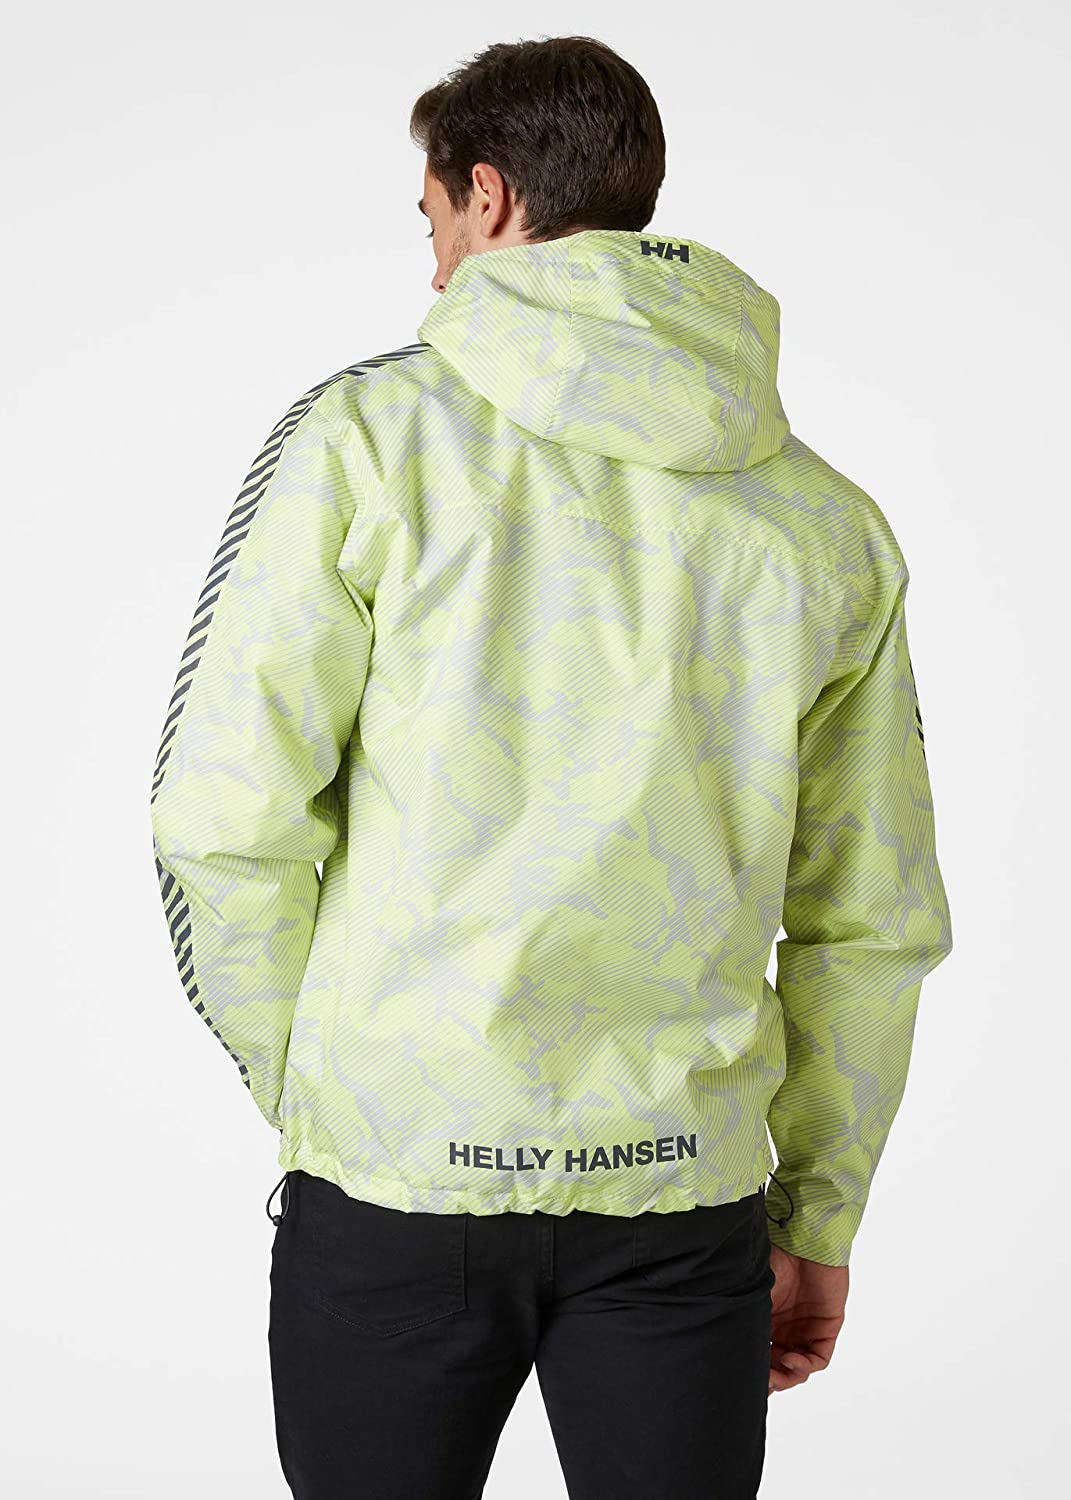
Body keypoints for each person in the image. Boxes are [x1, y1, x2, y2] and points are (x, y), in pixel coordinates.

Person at [148, 33, 953, 1500]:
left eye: (433, 222)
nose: (434, 273)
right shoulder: (825, 519)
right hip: (684, 1191)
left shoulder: (364, 441)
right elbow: (871, 914)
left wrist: (336, 1095)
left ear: (492, 197)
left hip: (401, 1180)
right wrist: (818, 1213)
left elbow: (222, 822)